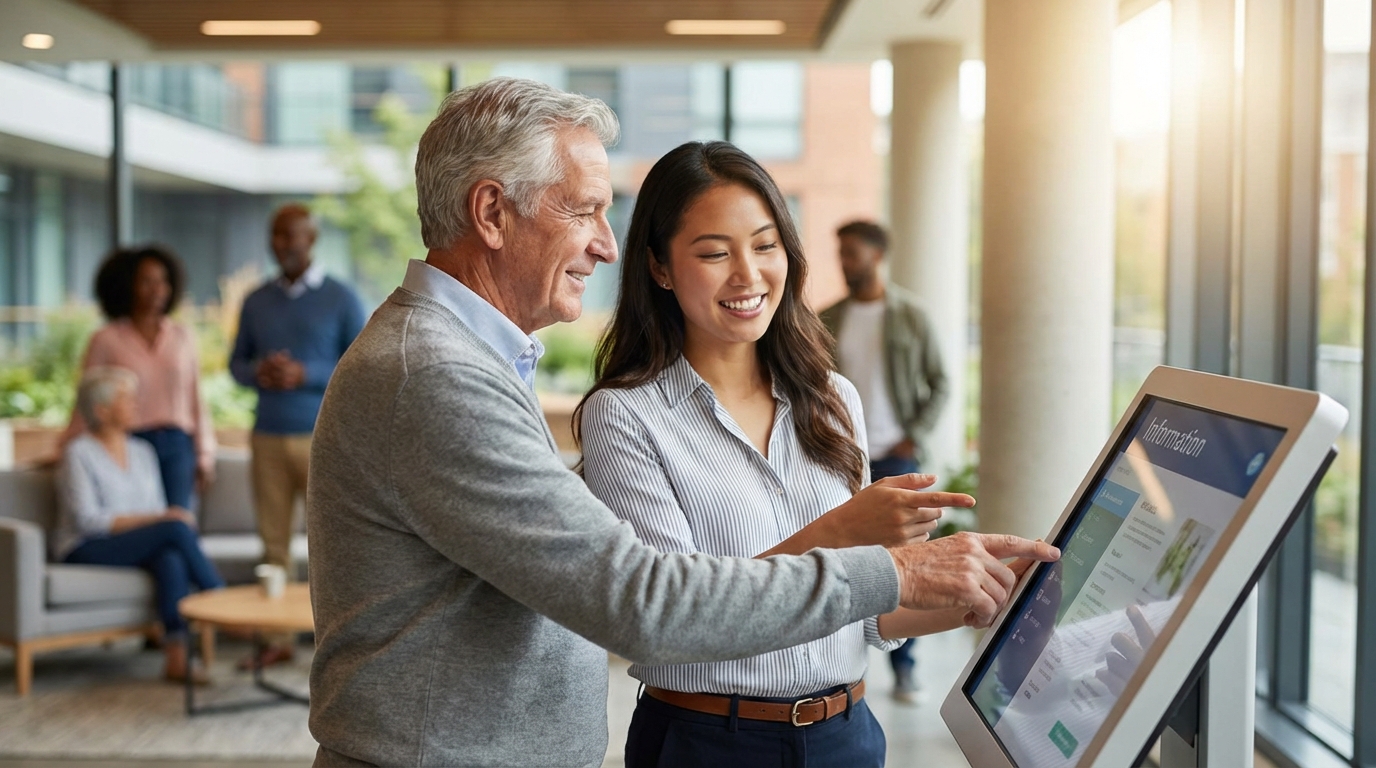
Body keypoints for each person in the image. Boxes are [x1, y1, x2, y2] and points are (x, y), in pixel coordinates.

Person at [306, 77, 1058, 768]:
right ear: (493, 213)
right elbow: (644, 603)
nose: (605, 242)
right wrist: (890, 565)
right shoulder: (437, 375)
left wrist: (971, 591)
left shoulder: (469, 362)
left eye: (765, 246)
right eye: (583, 209)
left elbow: (840, 617)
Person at [577, 141, 996, 766]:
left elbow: (859, 615)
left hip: (846, 734)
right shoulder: (626, 416)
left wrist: (978, 594)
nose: (748, 275)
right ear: (660, 268)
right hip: (709, 742)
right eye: (715, 253)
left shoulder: (832, 400)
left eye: (765, 245)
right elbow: (665, 628)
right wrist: (842, 532)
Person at [229, 203, 366, 669]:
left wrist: (304, 372)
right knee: (272, 544)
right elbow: (235, 365)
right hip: (266, 436)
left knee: (330, 545)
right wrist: (258, 370)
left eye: (292, 236)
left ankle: (333, 643)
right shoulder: (255, 300)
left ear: (312, 239)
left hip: (321, 438)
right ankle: (276, 641)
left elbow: (362, 364)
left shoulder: (341, 298)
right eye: (276, 236)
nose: (283, 245)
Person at [821, 220, 951, 703]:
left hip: (898, 459)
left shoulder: (910, 316)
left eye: (851, 252)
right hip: (842, 458)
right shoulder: (828, 318)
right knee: (845, 553)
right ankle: (840, 660)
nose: (844, 261)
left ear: (876, 255)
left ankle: (905, 667)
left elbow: (940, 381)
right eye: (841, 253)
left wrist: (911, 436)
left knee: (905, 559)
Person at [56, 366, 225, 683]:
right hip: (84, 545)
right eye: (126, 399)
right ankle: (218, 597)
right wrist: (160, 520)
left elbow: (155, 509)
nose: (136, 404)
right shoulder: (78, 453)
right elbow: (88, 520)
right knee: (175, 528)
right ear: (101, 410)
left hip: (134, 542)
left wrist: (159, 520)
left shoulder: (142, 451)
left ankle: (176, 656)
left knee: (170, 555)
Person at [63, 245, 215, 510]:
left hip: (177, 446)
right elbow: (88, 400)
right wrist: (64, 447)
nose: (157, 289)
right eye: (146, 281)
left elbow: (195, 399)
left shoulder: (183, 337)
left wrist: (205, 452)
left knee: (179, 523)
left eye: (162, 281)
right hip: (128, 444)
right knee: (141, 527)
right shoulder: (106, 339)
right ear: (128, 285)